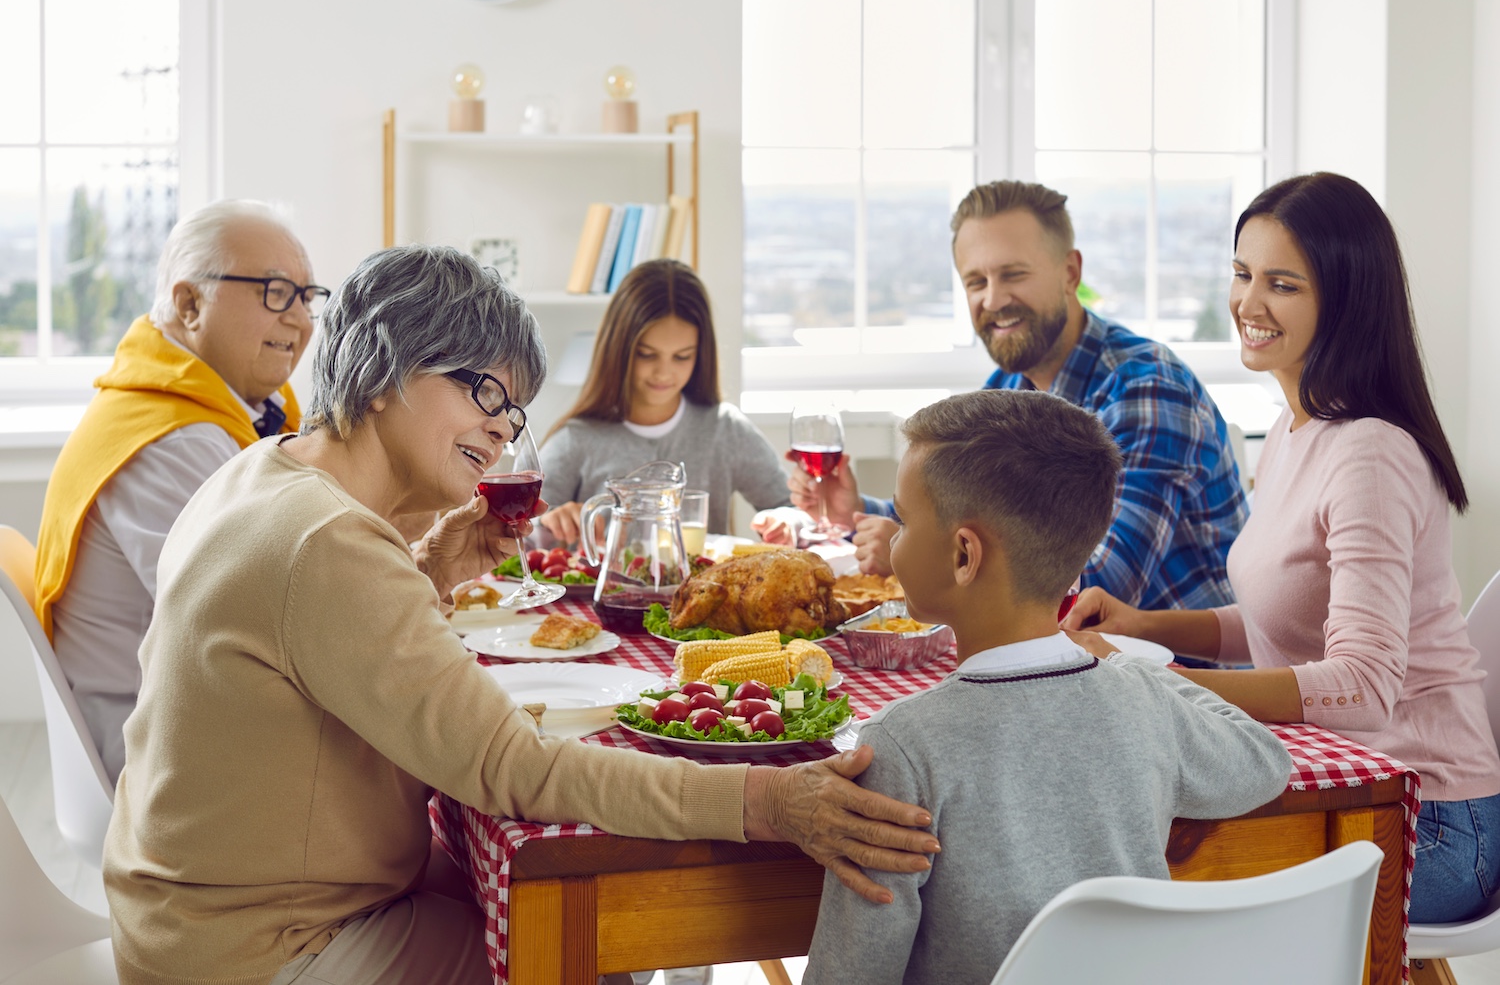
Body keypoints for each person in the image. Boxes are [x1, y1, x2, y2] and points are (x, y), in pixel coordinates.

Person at [102, 245, 939, 985]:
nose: (503, 429)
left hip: (188, 913)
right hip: (262, 950)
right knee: (597, 936)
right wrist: (771, 800)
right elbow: (520, 771)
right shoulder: (328, 543)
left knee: (553, 903)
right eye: (487, 392)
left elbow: (316, 664)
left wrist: (427, 574)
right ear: (391, 365)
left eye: (515, 409)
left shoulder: (264, 473)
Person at [1062, 171, 1500, 924]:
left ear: (1345, 299)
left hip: (1426, 818)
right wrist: (1144, 627)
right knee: (1116, 848)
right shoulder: (1296, 434)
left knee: (1137, 877)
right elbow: (1279, 616)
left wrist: (1162, 687)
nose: (1248, 304)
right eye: (1242, 273)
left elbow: (1361, 684)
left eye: (1282, 284)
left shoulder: (1371, 455)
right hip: (1344, 781)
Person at [803, 389, 1290, 984]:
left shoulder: (899, 746)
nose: (894, 540)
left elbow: (850, 975)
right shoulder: (1145, 700)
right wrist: (1138, 673)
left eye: (903, 521)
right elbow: (1264, 761)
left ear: (964, 554)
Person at [775, 181, 1247, 612]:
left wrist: (914, 551)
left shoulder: (1146, 388)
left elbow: (1101, 587)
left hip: (1186, 678)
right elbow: (957, 517)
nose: (994, 299)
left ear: (1070, 272)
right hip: (1078, 664)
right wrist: (859, 512)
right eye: (976, 282)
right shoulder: (1007, 388)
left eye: (1013, 274)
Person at [33, 199, 319, 782]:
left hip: (199, 716)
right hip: (165, 759)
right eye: (275, 292)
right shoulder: (173, 440)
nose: (300, 320)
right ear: (190, 304)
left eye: (308, 297)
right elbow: (263, 619)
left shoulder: (231, 413)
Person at [538, 259, 790, 543]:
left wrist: (785, 523)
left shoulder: (724, 429)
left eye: (682, 356)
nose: (664, 373)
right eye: (647, 354)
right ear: (619, 349)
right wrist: (550, 519)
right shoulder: (575, 439)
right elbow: (519, 528)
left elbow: (788, 507)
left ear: (700, 353)